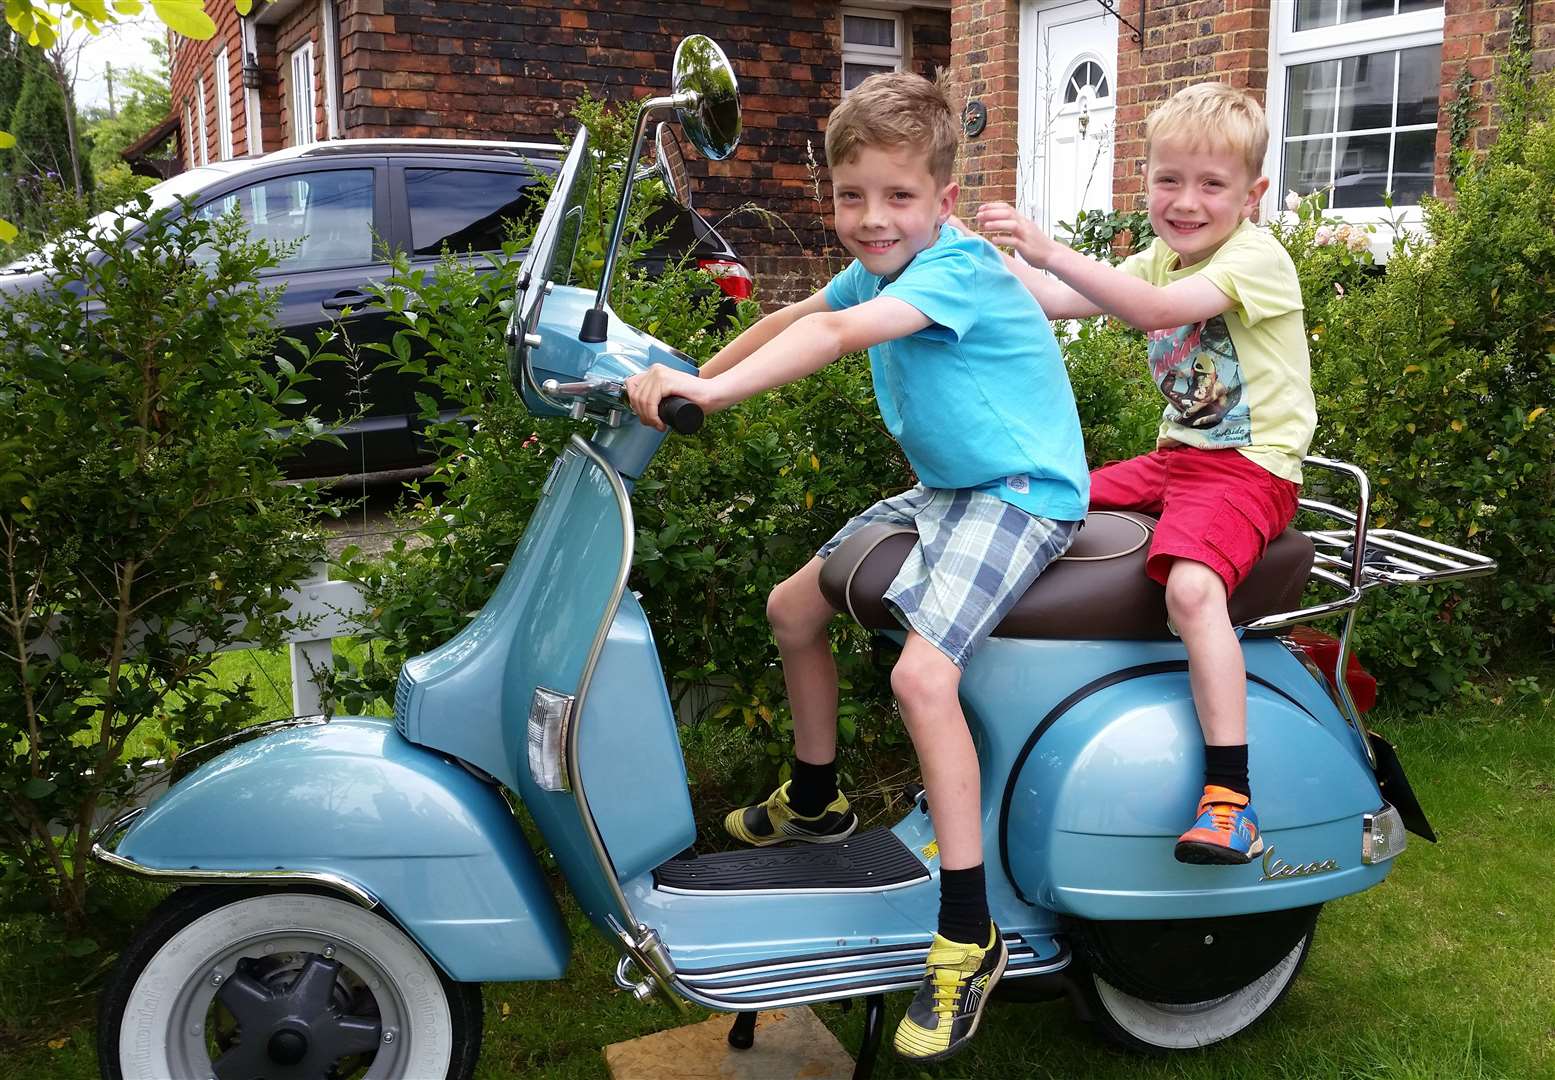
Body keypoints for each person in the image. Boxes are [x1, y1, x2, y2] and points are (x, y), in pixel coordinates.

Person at [625, 71, 1089, 1063]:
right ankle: (816, 799)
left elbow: (834, 339)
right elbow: (798, 318)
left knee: (922, 675)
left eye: (897, 197)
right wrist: (686, 377)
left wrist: (711, 403)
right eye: (851, 197)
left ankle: (968, 935)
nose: (871, 219)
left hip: (1018, 492)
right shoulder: (880, 269)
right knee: (792, 606)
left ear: (943, 202)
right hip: (947, 491)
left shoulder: (955, 269)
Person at [972, 82, 1316, 865]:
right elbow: (1060, 300)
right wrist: (967, 259)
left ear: (1252, 196)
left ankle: (1231, 798)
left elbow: (1152, 312)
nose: (1185, 201)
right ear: (1146, 180)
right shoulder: (1160, 254)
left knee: (1192, 589)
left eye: (1211, 184)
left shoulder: (1255, 258)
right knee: (1043, 490)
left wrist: (1048, 244)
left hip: (1249, 469)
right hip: (1180, 460)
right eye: (1169, 180)